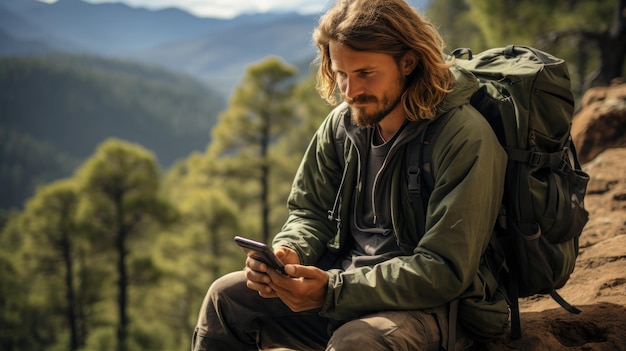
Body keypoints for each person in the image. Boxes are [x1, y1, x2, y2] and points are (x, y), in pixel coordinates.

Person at [192, 0, 508, 350]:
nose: (350, 91)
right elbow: (310, 213)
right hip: (342, 289)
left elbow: (445, 269)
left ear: (408, 63)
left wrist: (332, 290)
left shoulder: (462, 137)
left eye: (365, 74)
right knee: (226, 299)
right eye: (341, 73)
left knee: (356, 342)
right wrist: (290, 252)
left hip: (434, 309)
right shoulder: (343, 125)